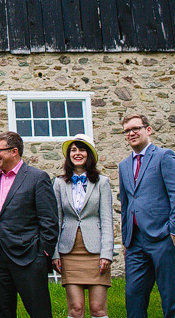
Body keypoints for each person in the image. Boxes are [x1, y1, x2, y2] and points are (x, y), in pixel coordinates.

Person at [0, 131, 58, 318]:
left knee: (39, 312)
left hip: (29, 258)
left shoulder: (37, 178)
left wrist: (42, 253)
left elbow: (49, 220)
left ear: (14, 151)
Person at [118, 114, 175, 318]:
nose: (131, 133)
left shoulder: (164, 156)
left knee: (169, 295)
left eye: (135, 128)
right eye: (127, 131)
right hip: (135, 242)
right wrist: (126, 239)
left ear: (148, 130)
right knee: (133, 295)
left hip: (163, 237)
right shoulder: (123, 165)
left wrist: (174, 232)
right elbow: (126, 203)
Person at [51, 134, 113, 318]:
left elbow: (107, 220)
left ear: (90, 154)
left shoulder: (102, 182)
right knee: (76, 309)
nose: (77, 153)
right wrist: (55, 253)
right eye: (73, 150)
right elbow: (56, 221)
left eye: (82, 149)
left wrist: (106, 254)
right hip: (69, 252)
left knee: (97, 308)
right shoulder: (60, 183)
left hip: (95, 252)